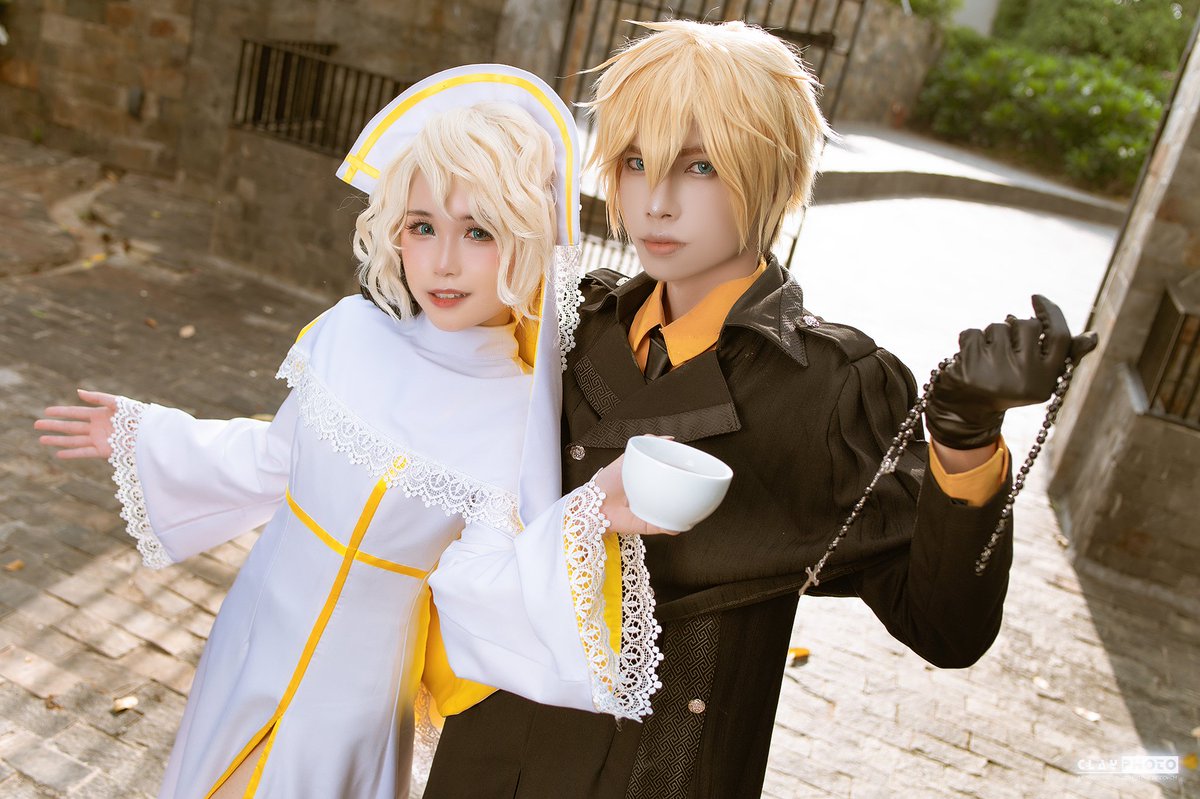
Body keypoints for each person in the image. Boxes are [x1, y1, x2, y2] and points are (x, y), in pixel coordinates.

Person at [422, 20, 1098, 799]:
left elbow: (947, 628)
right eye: (636, 162)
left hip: (661, 773)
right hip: (486, 760)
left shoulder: (834, 389)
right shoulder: (568, 329)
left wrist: (964, 438)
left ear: (770, 172)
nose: (656, 202)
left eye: (700, 166)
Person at [34, 65, 672, 799]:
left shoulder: (512, 415)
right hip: (252, 631)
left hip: (358, 690)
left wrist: (590, 514)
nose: (443, 261)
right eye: (423, 226)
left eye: (479, 231)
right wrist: (146, 434)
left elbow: (485, 582)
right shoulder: (347, 335)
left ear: (526, 243)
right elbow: (272, 462)